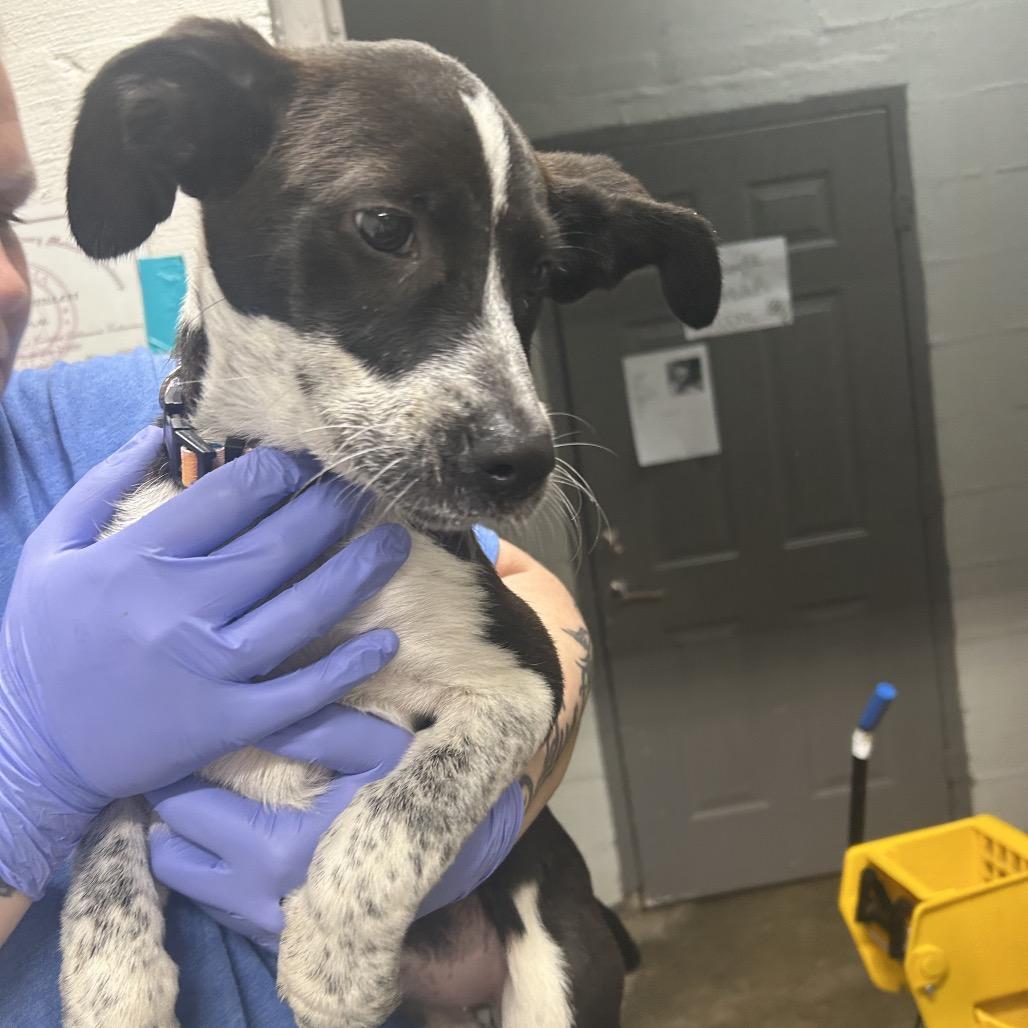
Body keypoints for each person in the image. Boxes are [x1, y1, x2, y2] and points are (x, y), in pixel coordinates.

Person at [0, 54, 588, 1025]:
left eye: (6, 216)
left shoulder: (176, 406)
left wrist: (475, 816)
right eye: (387, 230)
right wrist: (23, 796)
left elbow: (532, 617)